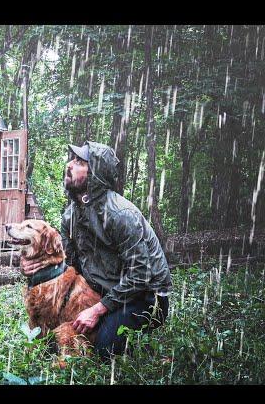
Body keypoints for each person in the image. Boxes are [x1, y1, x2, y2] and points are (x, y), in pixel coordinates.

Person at [20, 141, 172, 358]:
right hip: (102, 291)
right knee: (52, 342)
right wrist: (35, 267)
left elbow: (141, 276)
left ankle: (141, 345)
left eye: (80, 162)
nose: (69, 165)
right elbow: (69, 265)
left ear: (96, 174)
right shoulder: (70, 216)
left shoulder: (121, 214)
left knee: (104, 349)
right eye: (72, 159)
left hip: (145, 299)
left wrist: (98, 309)